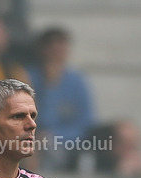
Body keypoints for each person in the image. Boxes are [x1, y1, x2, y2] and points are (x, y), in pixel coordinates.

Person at [25, 27, 94, 170]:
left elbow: (85, 123)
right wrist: (49, 86)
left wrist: (56, 136)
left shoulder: (77, 81)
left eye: (61, 51)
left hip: (66, 143)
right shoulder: (28, 77)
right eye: (53, 52)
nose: (56, 57)